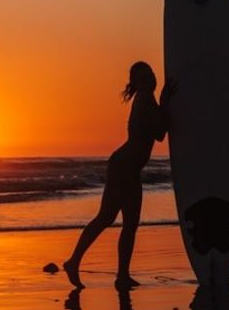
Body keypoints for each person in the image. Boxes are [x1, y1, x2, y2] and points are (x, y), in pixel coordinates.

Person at [64, 62, 173, 290]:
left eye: (151, 74)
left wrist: (164, 103)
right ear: (136, 82)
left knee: (130, 224)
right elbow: (161, 134)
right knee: (106, 217)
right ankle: (73, 262)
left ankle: (122, 275)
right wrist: (166, 102)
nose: (149, 78)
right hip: (122, 167)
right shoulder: (145, 98)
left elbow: (158, 131)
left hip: (130, 170)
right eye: (143, 77)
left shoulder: (147, 98)